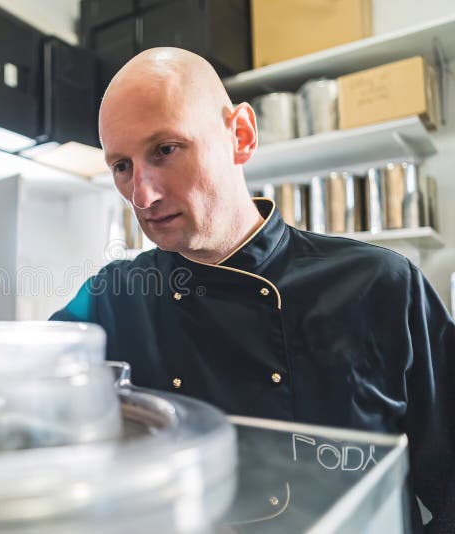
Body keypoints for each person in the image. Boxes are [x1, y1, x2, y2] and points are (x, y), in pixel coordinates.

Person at [50, 47, 454, 532]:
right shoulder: (114, 295)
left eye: (165, 150)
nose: (143, 195)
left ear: (240, 135)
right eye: (121, 166)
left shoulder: (381, 285)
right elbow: (32, 388)